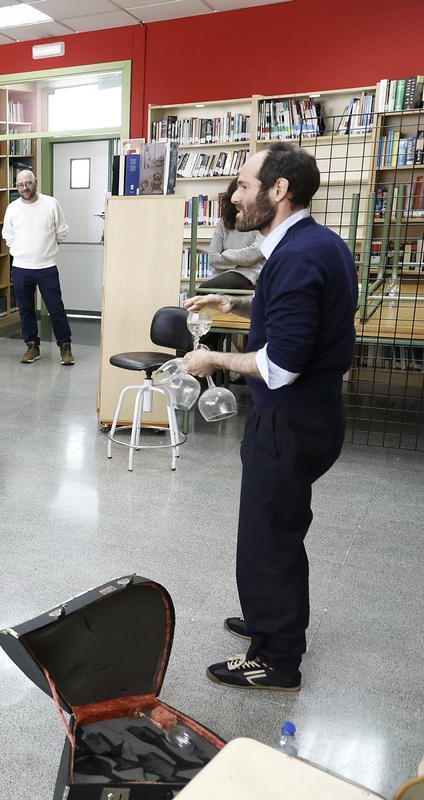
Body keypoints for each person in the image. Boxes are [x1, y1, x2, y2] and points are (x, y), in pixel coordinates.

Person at [182, 143, 356, 692]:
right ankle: (267, 619)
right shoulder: (313, 243)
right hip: (311, 415)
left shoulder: (298, 256)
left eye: (243, 185)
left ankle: (276, 657)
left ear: (278, 190)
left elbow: (281, 365)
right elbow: (296, 315)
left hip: (289, 418)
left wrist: (210, 358)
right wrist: (238, 309)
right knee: (274, 528)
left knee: (268, 537)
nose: (234, 197)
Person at [3, 169, 74, 366]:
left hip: (46, 266)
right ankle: (32, 345)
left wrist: (49, 249)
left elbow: (61, 232)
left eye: (28, 183)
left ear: (36, 182)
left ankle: (65, 346)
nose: (24, 188)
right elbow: (8, 235)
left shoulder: (51, 203)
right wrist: (20, 250)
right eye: (20, 185)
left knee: (55, 308)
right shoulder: (12, 207)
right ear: (16, 187)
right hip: (21, 267)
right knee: (25, 309)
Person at [203, 177, 266, 290]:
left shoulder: (261, 221)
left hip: (248, 274)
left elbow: (254, 253)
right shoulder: (223, 222)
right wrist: (239, 262)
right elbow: (212, 257)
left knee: (204, 290)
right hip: (221, 275)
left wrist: (226, 254)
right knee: (206, 292)